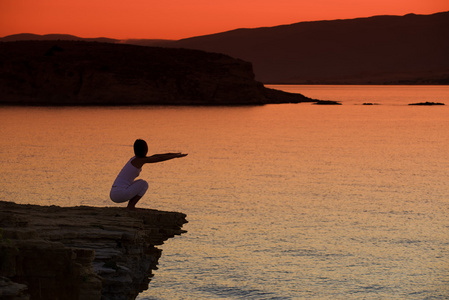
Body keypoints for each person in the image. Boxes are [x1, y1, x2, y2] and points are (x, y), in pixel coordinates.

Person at [110, 139, 187, 209]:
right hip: (119, 194)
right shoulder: (139, 160)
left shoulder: (134, 159)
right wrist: (175, 156)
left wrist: (174, 154)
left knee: (140, 182)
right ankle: (131, 206)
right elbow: (158, 158)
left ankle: (130, 206)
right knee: (143, 184)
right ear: (145, 149)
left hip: (114, 193)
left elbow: (156, 156)